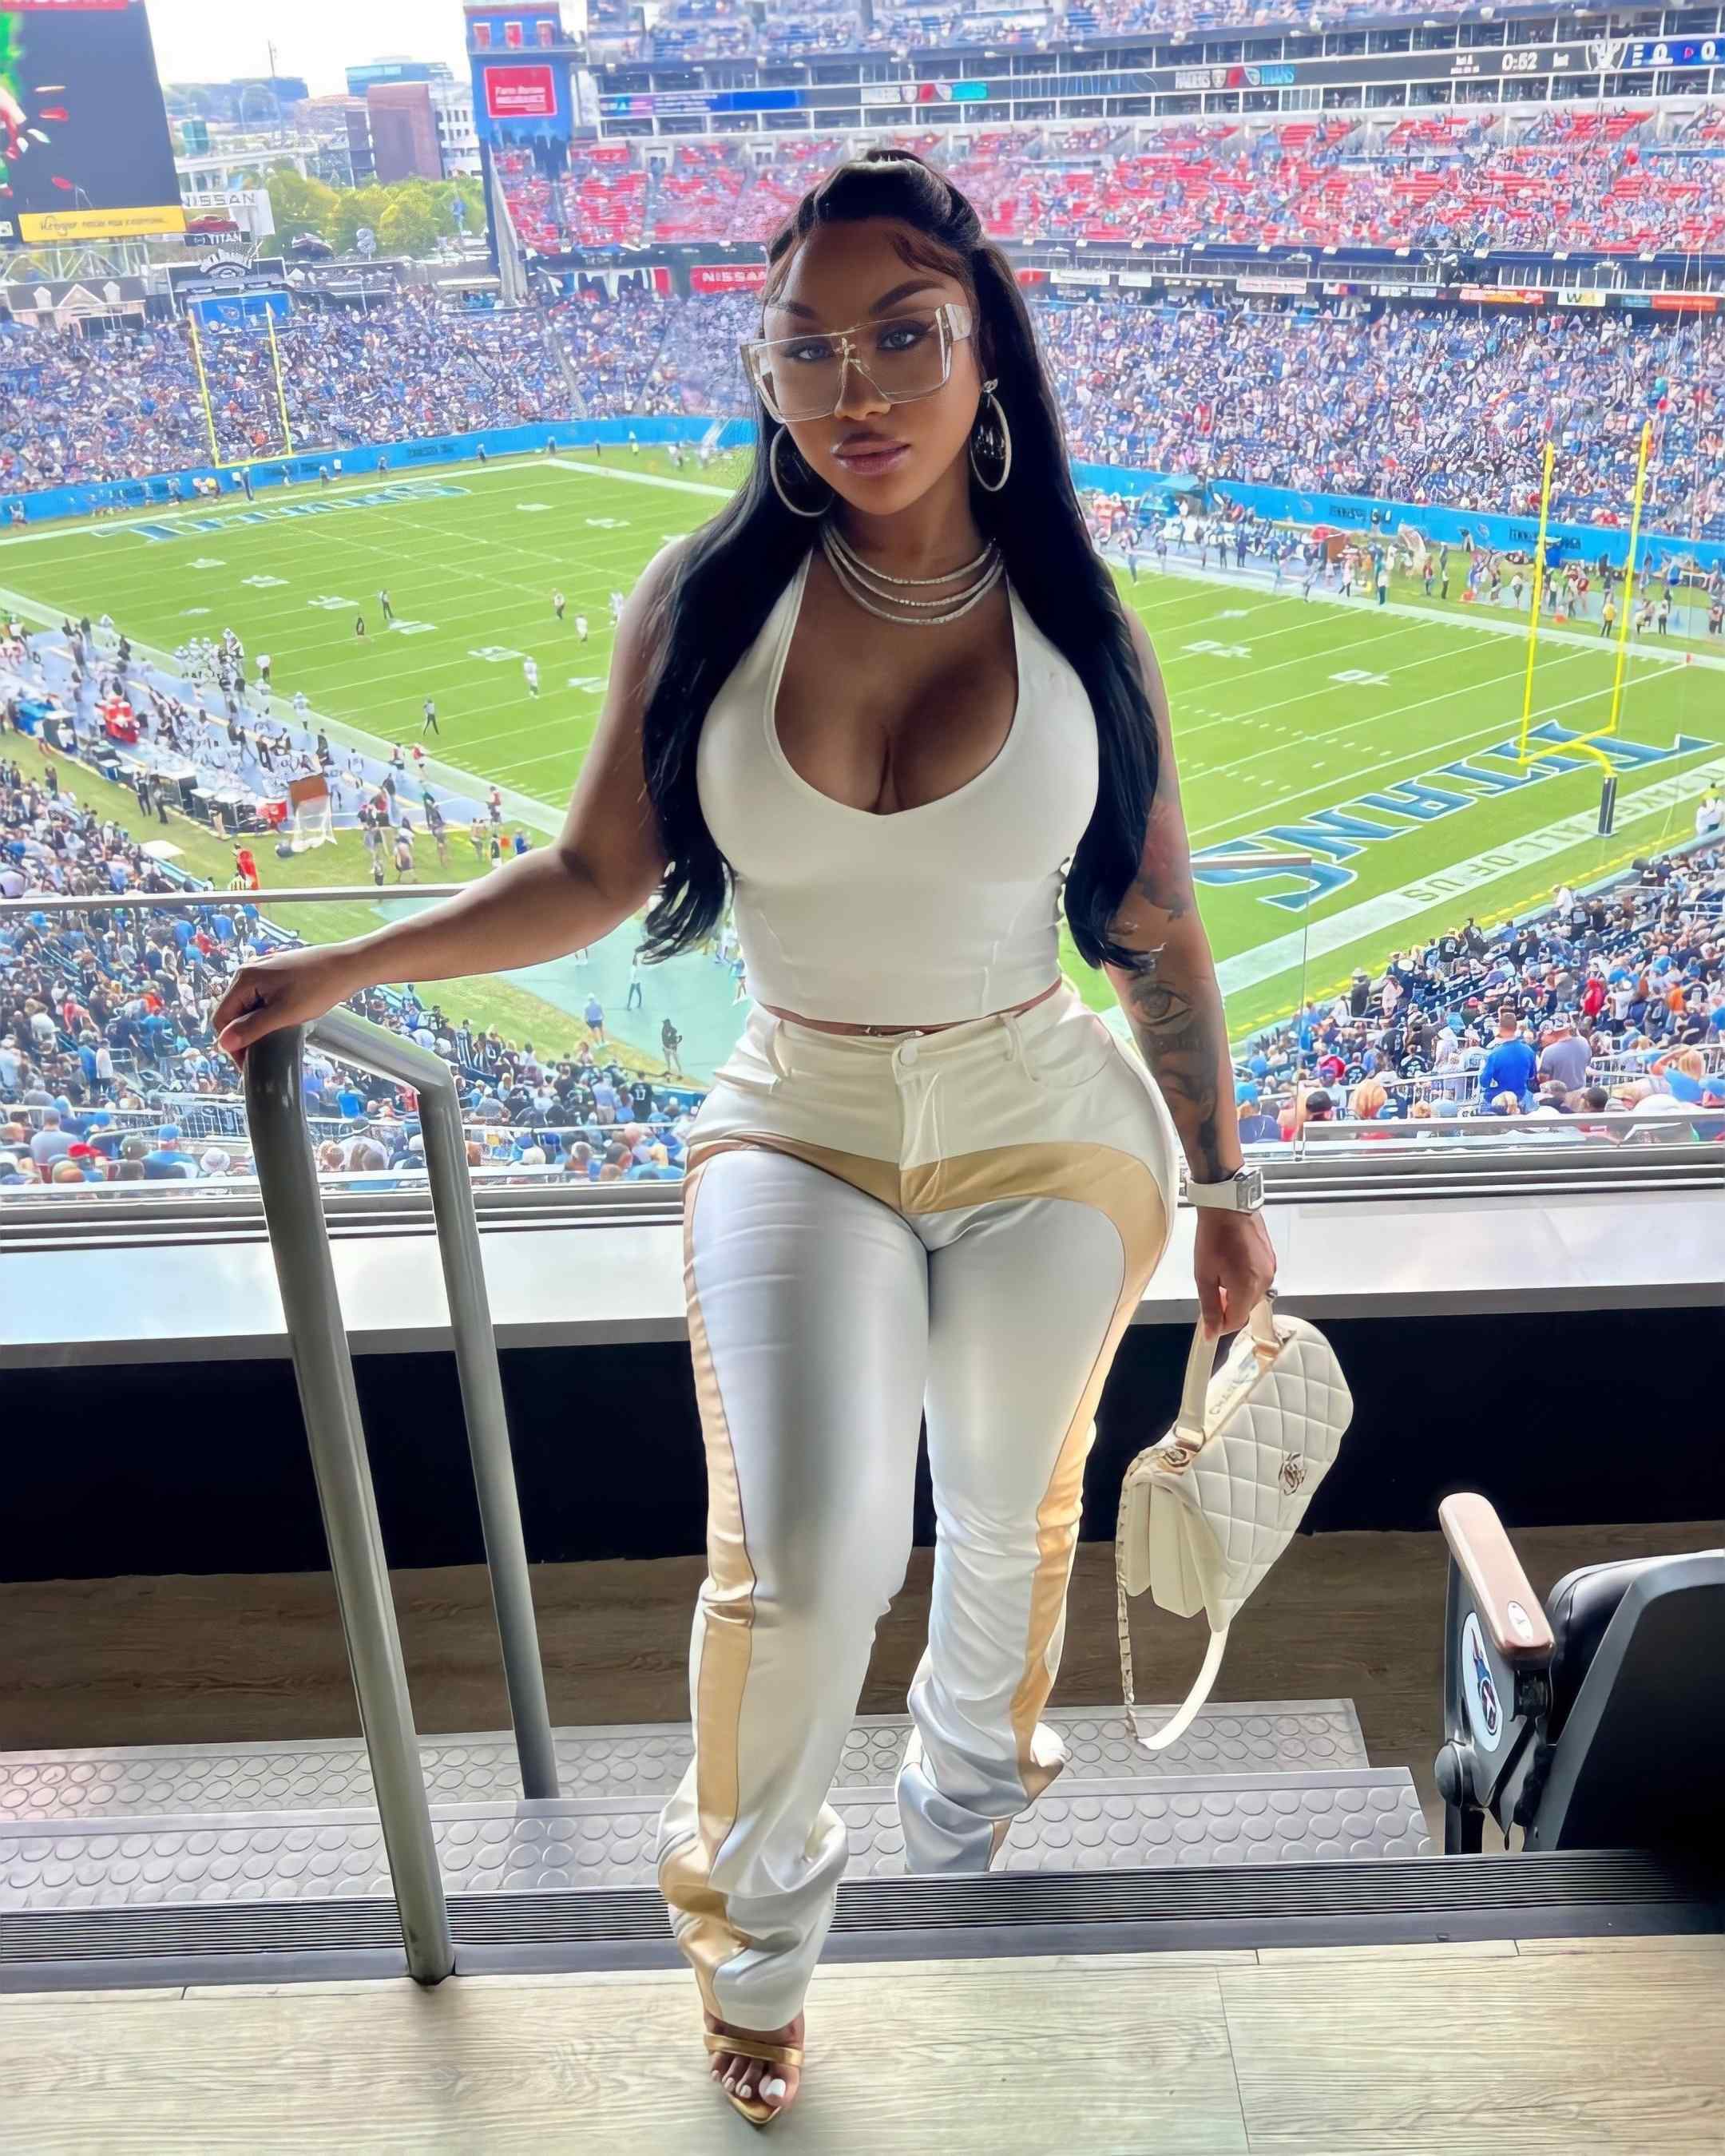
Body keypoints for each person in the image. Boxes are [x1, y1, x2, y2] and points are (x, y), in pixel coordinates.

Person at [208, 145, 1273, 2131]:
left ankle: (967, 1785)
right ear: (764, 374)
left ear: (987, 351)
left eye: (903, 338)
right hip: (804, 1111)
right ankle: (758, 1953)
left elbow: (1151, 925)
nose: (854, 388)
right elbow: (592, 873)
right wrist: (357, 960)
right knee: (805, 1552)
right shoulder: (704, 601)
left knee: (1010, 1494)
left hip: (1050, 1115)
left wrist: (1225, 1189)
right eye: (806, 349)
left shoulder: (1083, 621)